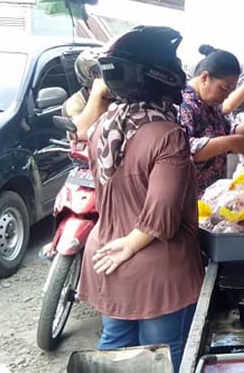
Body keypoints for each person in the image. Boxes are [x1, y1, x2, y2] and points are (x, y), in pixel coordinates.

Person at [78, 26, 204, 372]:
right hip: (157, 267)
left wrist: (121, 247)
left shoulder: (105, 126)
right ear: (161, 75)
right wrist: (132, 245)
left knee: (116, 351)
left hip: (106, 256)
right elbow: (161, 216)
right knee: (164, 354)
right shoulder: (167, 134)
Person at [179, 45, 244, 193]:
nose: (226, 97)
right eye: (224, 89)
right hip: (192, 199)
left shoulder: (211, 104)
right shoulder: (183, 104)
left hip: (214, 195)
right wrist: (229, 142)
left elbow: (229, 132)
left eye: (230, 91)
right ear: (205, 78)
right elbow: (185, 150)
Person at [63, 49, 114, 140]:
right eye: (102, 71)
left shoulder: (118, 93)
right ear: (91, 75)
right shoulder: (75, 103)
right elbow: (79, 134)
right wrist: (97, 93)